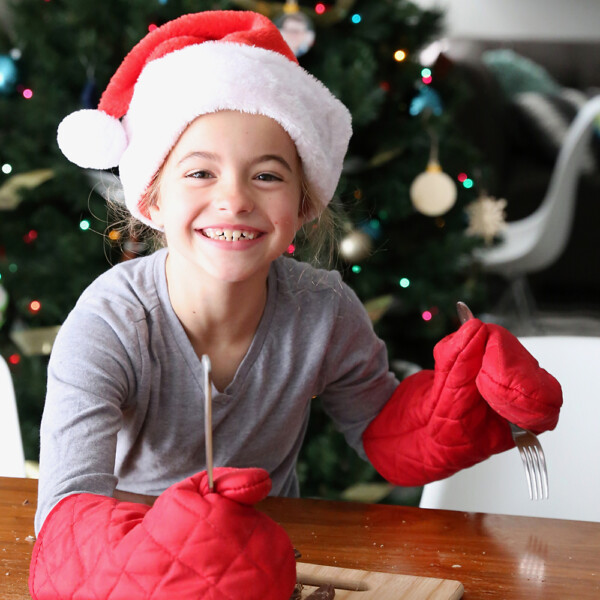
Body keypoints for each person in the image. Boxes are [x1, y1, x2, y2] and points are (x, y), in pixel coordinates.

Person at [30, 10, 562, 600]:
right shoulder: (110, 323)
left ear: (304, 206)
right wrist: (159, 557)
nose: (233, 198)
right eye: (200, 172)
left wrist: (459, 399)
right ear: (150, 202)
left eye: (266, 175)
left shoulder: (321, 309)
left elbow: (384, 432)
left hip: (271, 566)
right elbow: (66, 510)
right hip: (134, 576)